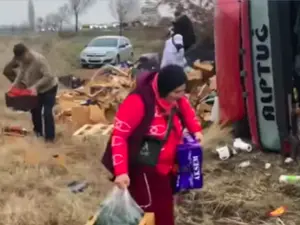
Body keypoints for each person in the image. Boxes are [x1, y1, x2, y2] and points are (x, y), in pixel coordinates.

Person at [102, 65, 203, 225]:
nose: (181, 96)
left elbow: (185, 106)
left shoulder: (175, 96)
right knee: (151, 209)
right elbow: (119, 136)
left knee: (165, 205)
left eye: (183, 91)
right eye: (176, 92)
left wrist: (195, 130)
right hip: (146, 159)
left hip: (167, 162)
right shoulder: (138, 101)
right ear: (164, 89)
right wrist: (121, 172)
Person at [3, 43, 58, 142]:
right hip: (35, 91)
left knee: (46, 112)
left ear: (27, 52)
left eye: (23, 58)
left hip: (49, 88)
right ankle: (38, 133)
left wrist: (35, 87)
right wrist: (13, 86)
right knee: (35, 111)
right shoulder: (23, 61)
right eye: (20, 60)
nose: (22, 61)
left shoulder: (39, 60)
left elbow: (48, 76)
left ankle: (50, 139)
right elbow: (21, 73)